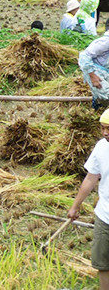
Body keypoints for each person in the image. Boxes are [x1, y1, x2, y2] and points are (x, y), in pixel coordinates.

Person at [67, 107, 109, 290]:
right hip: (105, 216)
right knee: (103, 263)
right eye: (102, 128)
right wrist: (75, 206)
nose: (105, 133)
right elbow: (91, 178)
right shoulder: (101, 147)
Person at [80, 33, 109, 110]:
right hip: (95, 72)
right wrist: (93, 76)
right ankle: (97, 108)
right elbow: (84, 56)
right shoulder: (105, 42)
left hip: (106, 71)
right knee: (106, 95)